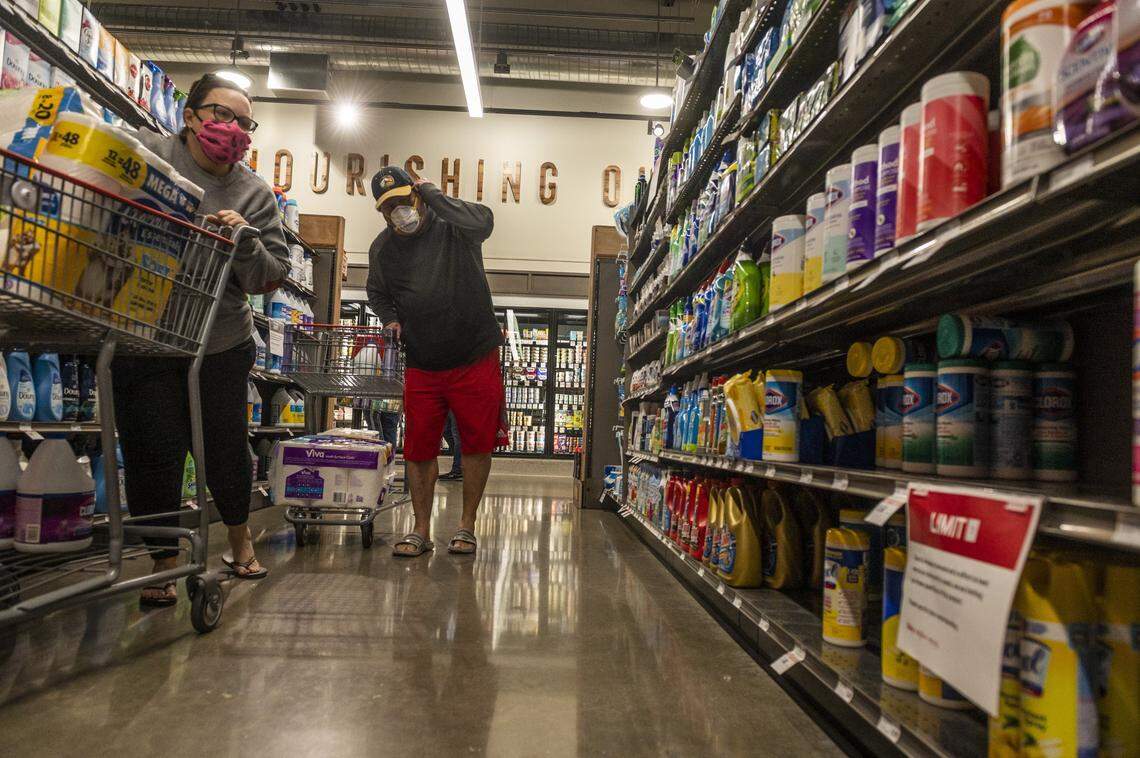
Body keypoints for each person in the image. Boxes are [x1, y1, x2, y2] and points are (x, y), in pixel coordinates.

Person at [114, 73, 290, 606]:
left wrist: (243, 242)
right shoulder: (146, 154)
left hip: (219, 339)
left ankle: (239, 541)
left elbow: (270, 276)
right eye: (222, 115)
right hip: (142, 335)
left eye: (244, 122)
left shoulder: (255, 192)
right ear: (190, 116)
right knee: (153, 451)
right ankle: (164, 562)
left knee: (223, 447)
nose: (233, 129)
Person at [366, 166, 505, 557]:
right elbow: (376, 292)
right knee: (419, 447)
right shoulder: (382, 248)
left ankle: (467, 525)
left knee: (477, 443)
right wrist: (390, 318)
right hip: (423, 361)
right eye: (387, 207)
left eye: (403, 200)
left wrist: (434, 193)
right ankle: (420, 528)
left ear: (418, 197)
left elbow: (485, 221)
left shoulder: (454, 226)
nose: (398, 212)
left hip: (474, 353)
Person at [440, 411, 462, 480]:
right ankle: (462, 462)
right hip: (448, 403)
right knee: (445, 430)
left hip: (459, 403)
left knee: (456, 434)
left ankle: (458, 469)